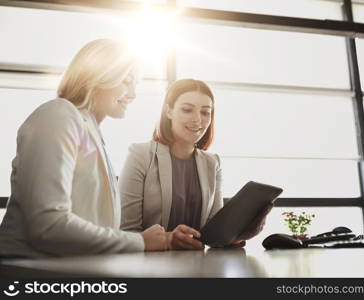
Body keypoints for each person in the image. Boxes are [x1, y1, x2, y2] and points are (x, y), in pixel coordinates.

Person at [0, 39, 169, 258]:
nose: (133, 94)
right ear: (97, 76)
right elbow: (48, 226)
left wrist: (157, 239)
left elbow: (93, 223)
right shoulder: (59, 115)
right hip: (30, 273)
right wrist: (139, 242)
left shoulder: (90, 130)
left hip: (69, 271)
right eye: (126, 81)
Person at [119, 79, 272, 250]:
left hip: (198, 266)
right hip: (148, 268)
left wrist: (236, 235)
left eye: (206, 112)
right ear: (169, 111)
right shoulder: (140, 155)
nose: (198, 120)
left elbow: (214, 234)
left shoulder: (212, 163)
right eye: (187, 110)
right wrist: (168, 239)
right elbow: (126, 232)